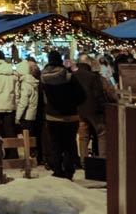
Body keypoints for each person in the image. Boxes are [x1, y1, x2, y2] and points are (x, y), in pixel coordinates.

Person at [41, 50, 85, 179]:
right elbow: (82, 95)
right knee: (70, 144)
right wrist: (72, 104)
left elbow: (42, 97)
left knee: (55, 145)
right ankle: (69, 170)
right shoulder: (69, 76)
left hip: (52, 116)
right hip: (70, 115)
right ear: (60, 60)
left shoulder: (43, 77)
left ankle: (57, 170)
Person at [73, 55, 114, 160]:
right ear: (88, 63)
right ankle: (102, 159)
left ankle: (84, 161)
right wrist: (103, 108)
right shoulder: (93, 77)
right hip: (94, 110)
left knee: (83, 136)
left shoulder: (73, 75)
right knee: (101, 133)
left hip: (79, 109)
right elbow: (98, 95)